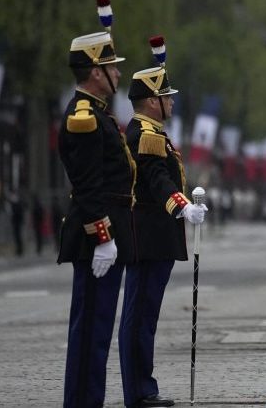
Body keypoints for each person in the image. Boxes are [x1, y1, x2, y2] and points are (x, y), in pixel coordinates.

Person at [120, 43, 205, 408]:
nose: (171, 102)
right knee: (140, 316)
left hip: (152, 236)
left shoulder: (149, 131)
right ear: (152, 101)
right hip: (150, 236)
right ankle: (140, 390)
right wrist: (182, 207)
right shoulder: (149, 135)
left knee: (144, 315)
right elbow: (157, 181)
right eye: (166, 97)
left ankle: (141, 387)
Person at [57, 30, 135, 408]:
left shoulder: (99, 114)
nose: (118, 75)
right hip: (95, 240)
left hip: (104, 237)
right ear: (94, 73)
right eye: (111, 68)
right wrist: (102, 236)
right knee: (90, 333)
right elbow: (88, 187)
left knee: (98, 331)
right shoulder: (84, 118)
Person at [9, 192, 25, 256]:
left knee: (18, 237)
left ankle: (20, 250)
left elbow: (19, 214)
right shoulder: (14, 205)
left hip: (17, 223)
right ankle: (18, 250)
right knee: (16, 237)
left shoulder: (18, 205)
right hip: (16, 223)